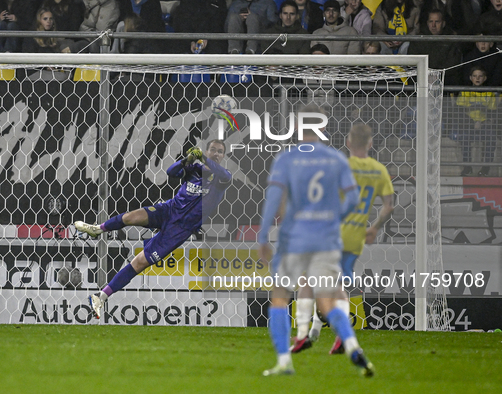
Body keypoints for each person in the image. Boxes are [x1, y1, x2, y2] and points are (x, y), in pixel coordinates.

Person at [257, 112, 373, 377]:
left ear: (298, 130)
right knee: (329, 301)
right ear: (322, 131)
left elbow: (273, 197)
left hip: (294, 238)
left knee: (279, 297)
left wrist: (263, 236)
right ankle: (352, 345)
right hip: (326, 239)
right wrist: (334, 218)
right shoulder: (335, 158)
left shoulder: (287, 159)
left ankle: (284, 361)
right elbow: (354, 198)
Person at [78, 141, 232, 318]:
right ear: (207, 150)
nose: (216, 154)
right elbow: (171, 172)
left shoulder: (223, 178)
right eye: (212, 150)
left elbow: (223, 174)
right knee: (130, 217)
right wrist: (185, 161)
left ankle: (101, 297)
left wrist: (203, 157)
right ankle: (98, 229)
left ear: (223, 156)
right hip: (169, 210)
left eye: (220, 152)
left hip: (179, 230)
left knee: (140, 262)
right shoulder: (195, 170)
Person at [292, 123, 394, 354]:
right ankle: (329, 334)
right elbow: (389, 207)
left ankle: (307, 334)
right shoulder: (379, 170)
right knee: (334, 286)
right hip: (356, 237)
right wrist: (375, 228)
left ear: (348, 142)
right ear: (370, 144)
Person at [456, 66, 498, 176]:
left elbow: (493, 114)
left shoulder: (490, 93)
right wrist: (473, 123)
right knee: (464, 137)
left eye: (480, 76)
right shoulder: (465, 92)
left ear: (484, 78)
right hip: (469, 125)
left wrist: (483, 123)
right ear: (470, 78)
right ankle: (467, 167)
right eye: (474, 76)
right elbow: (460, 112)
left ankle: (485, 169)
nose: (477, 78)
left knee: (491, 138)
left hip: (485, 125)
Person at [408, 9, 463, 85]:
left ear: (443, 24)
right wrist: (427, 74)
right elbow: (412, 61)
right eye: (431, 21)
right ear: (427, 23)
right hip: (422, 79)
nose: (433, 25)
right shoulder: (419, 39)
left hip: (445, 80)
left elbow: (453, 63)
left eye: (437, 22)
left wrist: (436, 74)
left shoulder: (451, 39)